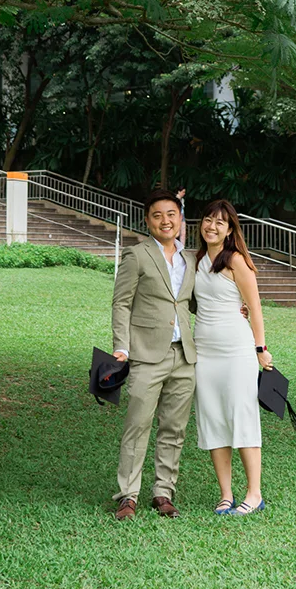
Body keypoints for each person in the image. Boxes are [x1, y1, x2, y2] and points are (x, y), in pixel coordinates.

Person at [109, 191, 197, 520]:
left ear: (180, 219)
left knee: (174, 428)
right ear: (148, 221)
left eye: (171, 214)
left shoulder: (190, 260)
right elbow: (121, 302)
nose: (165, 221)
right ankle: (127, 495)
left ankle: (163, 492)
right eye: (158, 215)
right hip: (147, 355)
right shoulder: (137, 255)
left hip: (184, 357)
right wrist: (122, 345)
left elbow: (191, 304)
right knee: (137, 425)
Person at [194, 198, 273, 516]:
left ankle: (254, 494)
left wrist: (260, 349)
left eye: (220, 223)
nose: (211, 226)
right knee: (213, 419)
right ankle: (225, 494)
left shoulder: (236, 261)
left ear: (229, 231)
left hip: (236, 351)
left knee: (242, 417)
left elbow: (254, 307)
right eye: (208, 220)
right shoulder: (197, 259)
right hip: (204, 353)